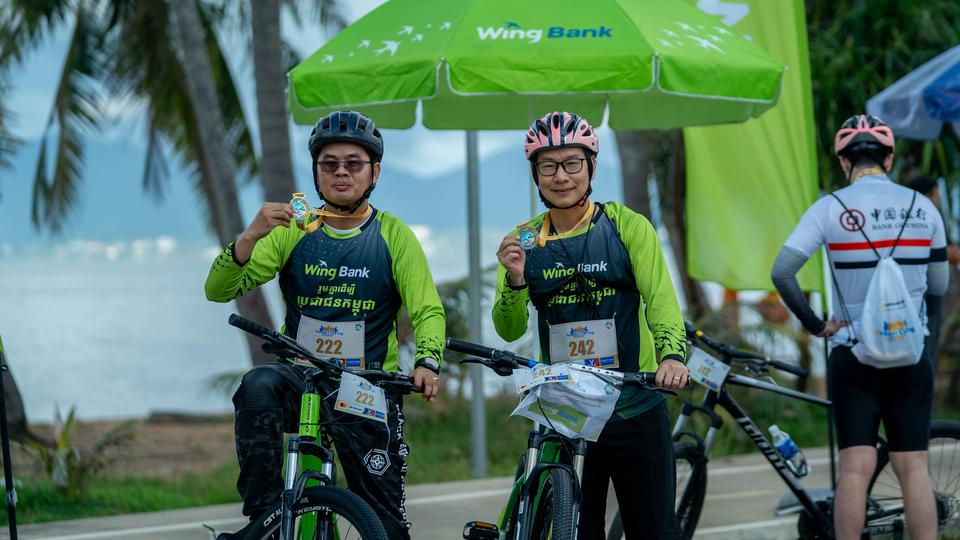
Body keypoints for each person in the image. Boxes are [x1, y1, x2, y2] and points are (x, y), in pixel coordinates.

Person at [204, 110, 445, 540]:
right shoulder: (293, 229)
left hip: (365, 389)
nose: (340, 172)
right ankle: (265, 517)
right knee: (258, 385)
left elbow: (427, 310)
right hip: (303, 380)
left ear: (374, 172)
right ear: (316, 172)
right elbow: (218, 289)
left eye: (353, 163)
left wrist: (427, 360)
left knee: (385, 526)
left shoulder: (394, 235)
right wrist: (250, 235)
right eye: (328, 163)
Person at [492, 111, 689, 540]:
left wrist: (672, 355)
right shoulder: (523, 241)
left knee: (654, 531)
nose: (561, 176)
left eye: (572, 164)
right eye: (548, 166)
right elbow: (507, 329)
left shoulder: (627, 226)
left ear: (592, 167)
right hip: (566, 414)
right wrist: (514, 280)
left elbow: (661, 301)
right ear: (535, 174)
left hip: (635, 404)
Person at [771, 114, 949, 540]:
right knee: (914, 467)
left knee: (855, 467)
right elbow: (939, 284)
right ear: (888, 157)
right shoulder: (922, 207)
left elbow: (783, 273)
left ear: (843, 161)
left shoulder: (829, 208)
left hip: (852, 353)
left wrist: (816, 325)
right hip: (910, 355)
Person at [906, 175, 960, 370]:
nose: (939, 198)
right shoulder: (927, 216)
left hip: (923, 292)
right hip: (927, 291)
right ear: (927, 195)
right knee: (927, 345)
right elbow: (936, 251)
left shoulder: (923, 215)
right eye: (936, 194)